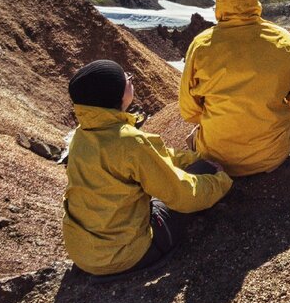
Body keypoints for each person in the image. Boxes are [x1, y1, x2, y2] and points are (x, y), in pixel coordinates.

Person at [62, 60, 232, 277]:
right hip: (127, 256)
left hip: (83, 253)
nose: (132, 81)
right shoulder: (129, 141)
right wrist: (220, 179)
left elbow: (155, 155)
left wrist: (189, 158)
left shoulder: (82, 135)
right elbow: (183, 195)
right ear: (118, 95)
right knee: (203, 171)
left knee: (184, 172)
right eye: (127, 79)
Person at [179, 0, 290, 176]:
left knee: (195, 135)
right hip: (272, 156)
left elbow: (188, 110)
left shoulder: (201, 45)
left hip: (216, 157)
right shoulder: (286, 43)